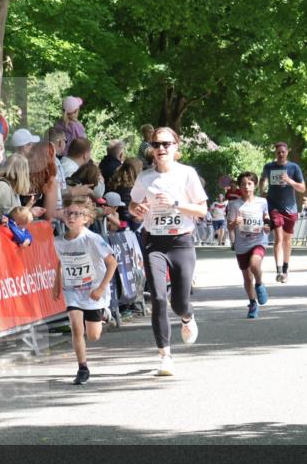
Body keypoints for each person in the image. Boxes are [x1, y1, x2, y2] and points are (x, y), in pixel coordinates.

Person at [128, 127, 208, 377]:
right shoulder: (145, 177)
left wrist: (174, 203)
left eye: (166, 144)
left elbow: (202, 210)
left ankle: (187, 316)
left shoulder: (187, 174)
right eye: (156, 144)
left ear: (176, 147)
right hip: (155, 243)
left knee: (179, 302)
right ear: (151, 149)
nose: (161, 148)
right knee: (159, 299)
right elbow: (133, 203)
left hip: (181, 242)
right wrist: (137, 210)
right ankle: (165, 356)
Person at [52, 194, 117, 385]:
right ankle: (82, 368)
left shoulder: (93, 239)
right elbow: (59, 264)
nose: (71, 217)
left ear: (86, 218)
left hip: (93, 292)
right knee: (76, 328)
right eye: (68, 213)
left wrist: (100, 288)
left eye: (76, 214)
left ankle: (104, 314)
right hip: (72, 290)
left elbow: (112, 263)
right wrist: (56, 286)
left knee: (93, 336)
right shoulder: (58, 241)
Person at [259, 142, 306, 283]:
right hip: (273, 205)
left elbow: (302, 188)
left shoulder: (294, 167)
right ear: (275, 153)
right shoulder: (269, 167)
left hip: (290, 208)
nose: (280, 154)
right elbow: (262, 179)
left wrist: (288, 180)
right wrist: (262, 191)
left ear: (287, 152)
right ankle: (278, 270)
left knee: (287, 239)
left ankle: (286, 267)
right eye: (278, 152)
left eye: (283, 152)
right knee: (279, 238)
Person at [226, 172, 271, 319]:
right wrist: (235, 223)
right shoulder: (234, 204)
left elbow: (266, 217)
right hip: (242, 244)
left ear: (255, 185)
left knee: (254, 264)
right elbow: (230, 227)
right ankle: (252, 303)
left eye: (250, 183)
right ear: (239, 186)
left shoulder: (262, 202)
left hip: (258, 240)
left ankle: (259, 284)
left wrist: (267, 226)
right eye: (243, 184)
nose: (246, 186)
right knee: (246, 277)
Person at [0, 152, 32, 218]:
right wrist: (27, 209)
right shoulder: (3, 186)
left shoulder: (11, 186)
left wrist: (28, 208)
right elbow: (3, 217)